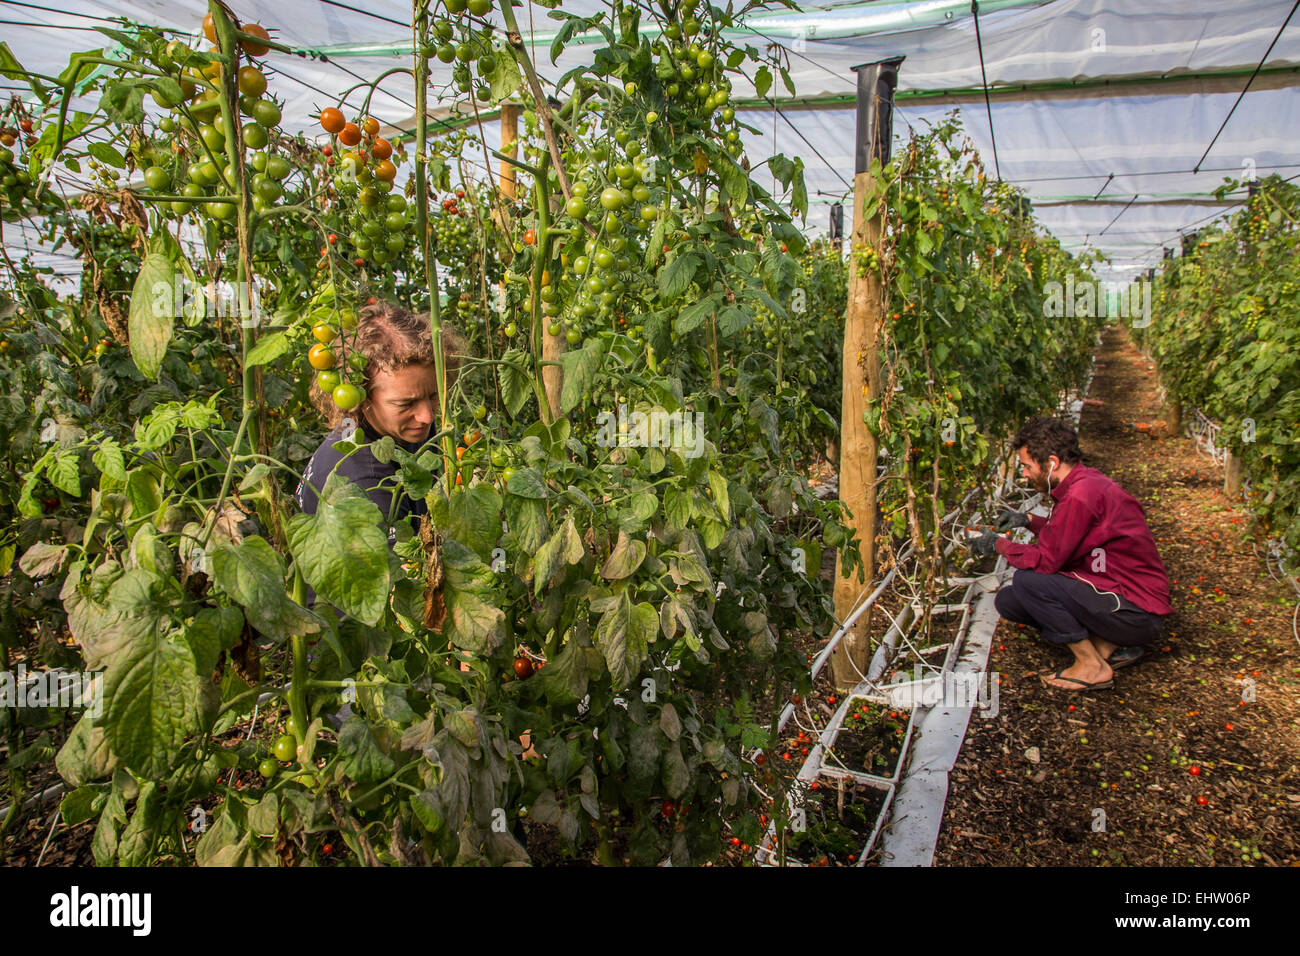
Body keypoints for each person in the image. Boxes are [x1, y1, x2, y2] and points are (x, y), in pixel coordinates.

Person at [965, 416, 1173, 691]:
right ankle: (1107, 643)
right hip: (1125, 602)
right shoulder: (1085, 484)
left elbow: (1048, 561)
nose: (1024, 474)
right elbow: (1069, 535)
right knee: (1010, 600)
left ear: (1051, 462)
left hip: (1135, 612)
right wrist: (1027, 519)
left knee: (1029, 582)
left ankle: (1092, 665)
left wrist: (997, 545)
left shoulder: (1080, 496)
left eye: (1027, 466)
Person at [296, 300, 467, 549]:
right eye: (405, 405)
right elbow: (398, 583)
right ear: (361, 398)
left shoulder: (359, 428)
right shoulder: (367, 488)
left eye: (433, 396)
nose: (428, 417)